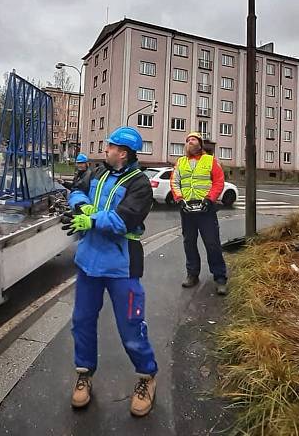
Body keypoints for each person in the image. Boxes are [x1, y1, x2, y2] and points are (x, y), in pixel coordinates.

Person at [61, 126, 157, 417]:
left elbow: (125, 220)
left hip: (122, 265)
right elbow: (76, 191)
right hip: (89, 261)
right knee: (82, 321)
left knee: (131, 326)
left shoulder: (139, 183)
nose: (105, 149)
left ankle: (146, 377)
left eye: (110, 146)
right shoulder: (98, 173)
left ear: (122, 153)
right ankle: (84, 373)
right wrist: (83, 207)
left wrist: (92, 220)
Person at [170, 131, 228, 295]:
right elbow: (174, 182)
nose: (190, 142)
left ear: (200, 144)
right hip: (187, 210)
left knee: (212, 243)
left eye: (193, 139)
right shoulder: (180, 162)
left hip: (206, 209)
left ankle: (220, 277)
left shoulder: (210, 161)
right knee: (189, 242)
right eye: (187, 140)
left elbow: (218, 182)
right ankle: (192, 274)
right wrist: (179, 200)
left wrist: (209, 200)